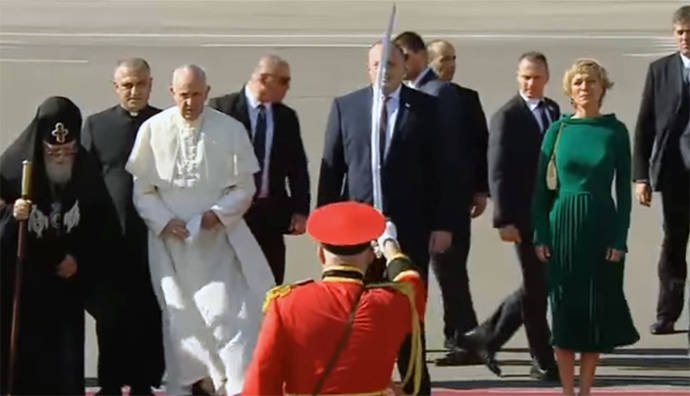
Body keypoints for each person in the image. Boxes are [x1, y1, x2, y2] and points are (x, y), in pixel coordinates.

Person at [317, 41, 459, 394]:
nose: (384, 70)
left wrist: (443, 224)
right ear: (368, 68)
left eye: (392, 64)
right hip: (355, 238)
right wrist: (325, 230)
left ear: (404, 67)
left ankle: (415, 387)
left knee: (408, 317)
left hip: (409, 231)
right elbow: (332, 172)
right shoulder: (346, 108)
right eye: (377, 63)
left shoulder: (427, 109)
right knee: (357, 315)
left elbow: (444, 171)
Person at [126, 64, 274, 395]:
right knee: (180, 322)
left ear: (207, 93)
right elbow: (142, 190)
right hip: (170, 245)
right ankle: (185, 387)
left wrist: (218, 214)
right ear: (171, 94)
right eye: (183, 95)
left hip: (218, 242)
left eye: (196, 94)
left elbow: (244, 187)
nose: (189, 102)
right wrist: (165, 221)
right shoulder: (153, 129)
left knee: (231, 318)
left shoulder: (230, 129)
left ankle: (234, 387)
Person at [532, 58, 639, 396]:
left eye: (591, 82)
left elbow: (623, 190)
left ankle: (586, 390)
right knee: (564, 311)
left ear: (601, 88)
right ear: (569, 89)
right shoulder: (557, 130)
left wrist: (620, 238)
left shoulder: (615, 131)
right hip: (562, 225)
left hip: (601, 226)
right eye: (578, 82)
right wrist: (541, 233)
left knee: (594, 313)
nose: (584, 88)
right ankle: (567, 391)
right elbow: (540, 188)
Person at [0, 97, 120, 395]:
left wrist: (79, 260)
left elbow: (102, 227)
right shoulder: (13, 169)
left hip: (66, 284)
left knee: (63, 363)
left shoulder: (87, 169)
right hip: (25, 282)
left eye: (68, 150)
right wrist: (11, 216)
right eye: (53, 151)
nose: (61, 157)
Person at [242, 201, 426, 395]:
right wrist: (390, 246)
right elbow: (410, 280)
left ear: (321, 253)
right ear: (372, 256)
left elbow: (261, 383)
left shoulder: (286, 304)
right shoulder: (395, 303)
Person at [460, 52, 560, 380]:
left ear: (546, 78)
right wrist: (503, 219)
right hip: (521, 215)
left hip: (550, 214)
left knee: (539, 285)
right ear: (518, 77)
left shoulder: (553, 111)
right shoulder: (507, 116)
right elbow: (497, 171)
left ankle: (486, 337)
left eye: (537, 77)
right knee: (536, 285)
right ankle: (542, 360)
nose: (531, 84)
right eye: (525, 77)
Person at [82, 57, 164, 396]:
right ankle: (111, 383)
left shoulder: (164, 123)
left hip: (152, 239)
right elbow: (85, 181)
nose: (134, 91)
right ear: (117, 88)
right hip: (109, 240)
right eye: (127, 85)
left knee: (149, 314)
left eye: (141, 84)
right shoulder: (97, 125)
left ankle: (144, 381)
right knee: (110, 317)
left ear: (151, 84)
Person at [394, 32, 479, 356]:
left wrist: (452, 205)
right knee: (443, 273)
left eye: (400, 58)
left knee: (449, 273)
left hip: (442, 205)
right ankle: (459, 335)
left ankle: (465, 338)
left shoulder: (438, 94)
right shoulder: (419, 91)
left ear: (416, 56)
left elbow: (451, 155)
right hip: (429, 203)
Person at [208, 55, 310, 285]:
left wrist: (300, 210)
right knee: (231, 285)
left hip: (270, 215)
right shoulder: (222, 109)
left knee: (270, 285)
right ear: (264, 79)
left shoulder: (286, 117)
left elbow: (297, 167)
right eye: (283, 81)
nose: (288, 87)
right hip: (231, 215)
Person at [633, 5, 690, 335]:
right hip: (673, 175)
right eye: (680, 33)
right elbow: (645, 126)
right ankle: (667, 314)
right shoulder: (660, 70)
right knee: (673, 245)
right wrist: (642, 176)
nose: (685, 39)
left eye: (689, 33)